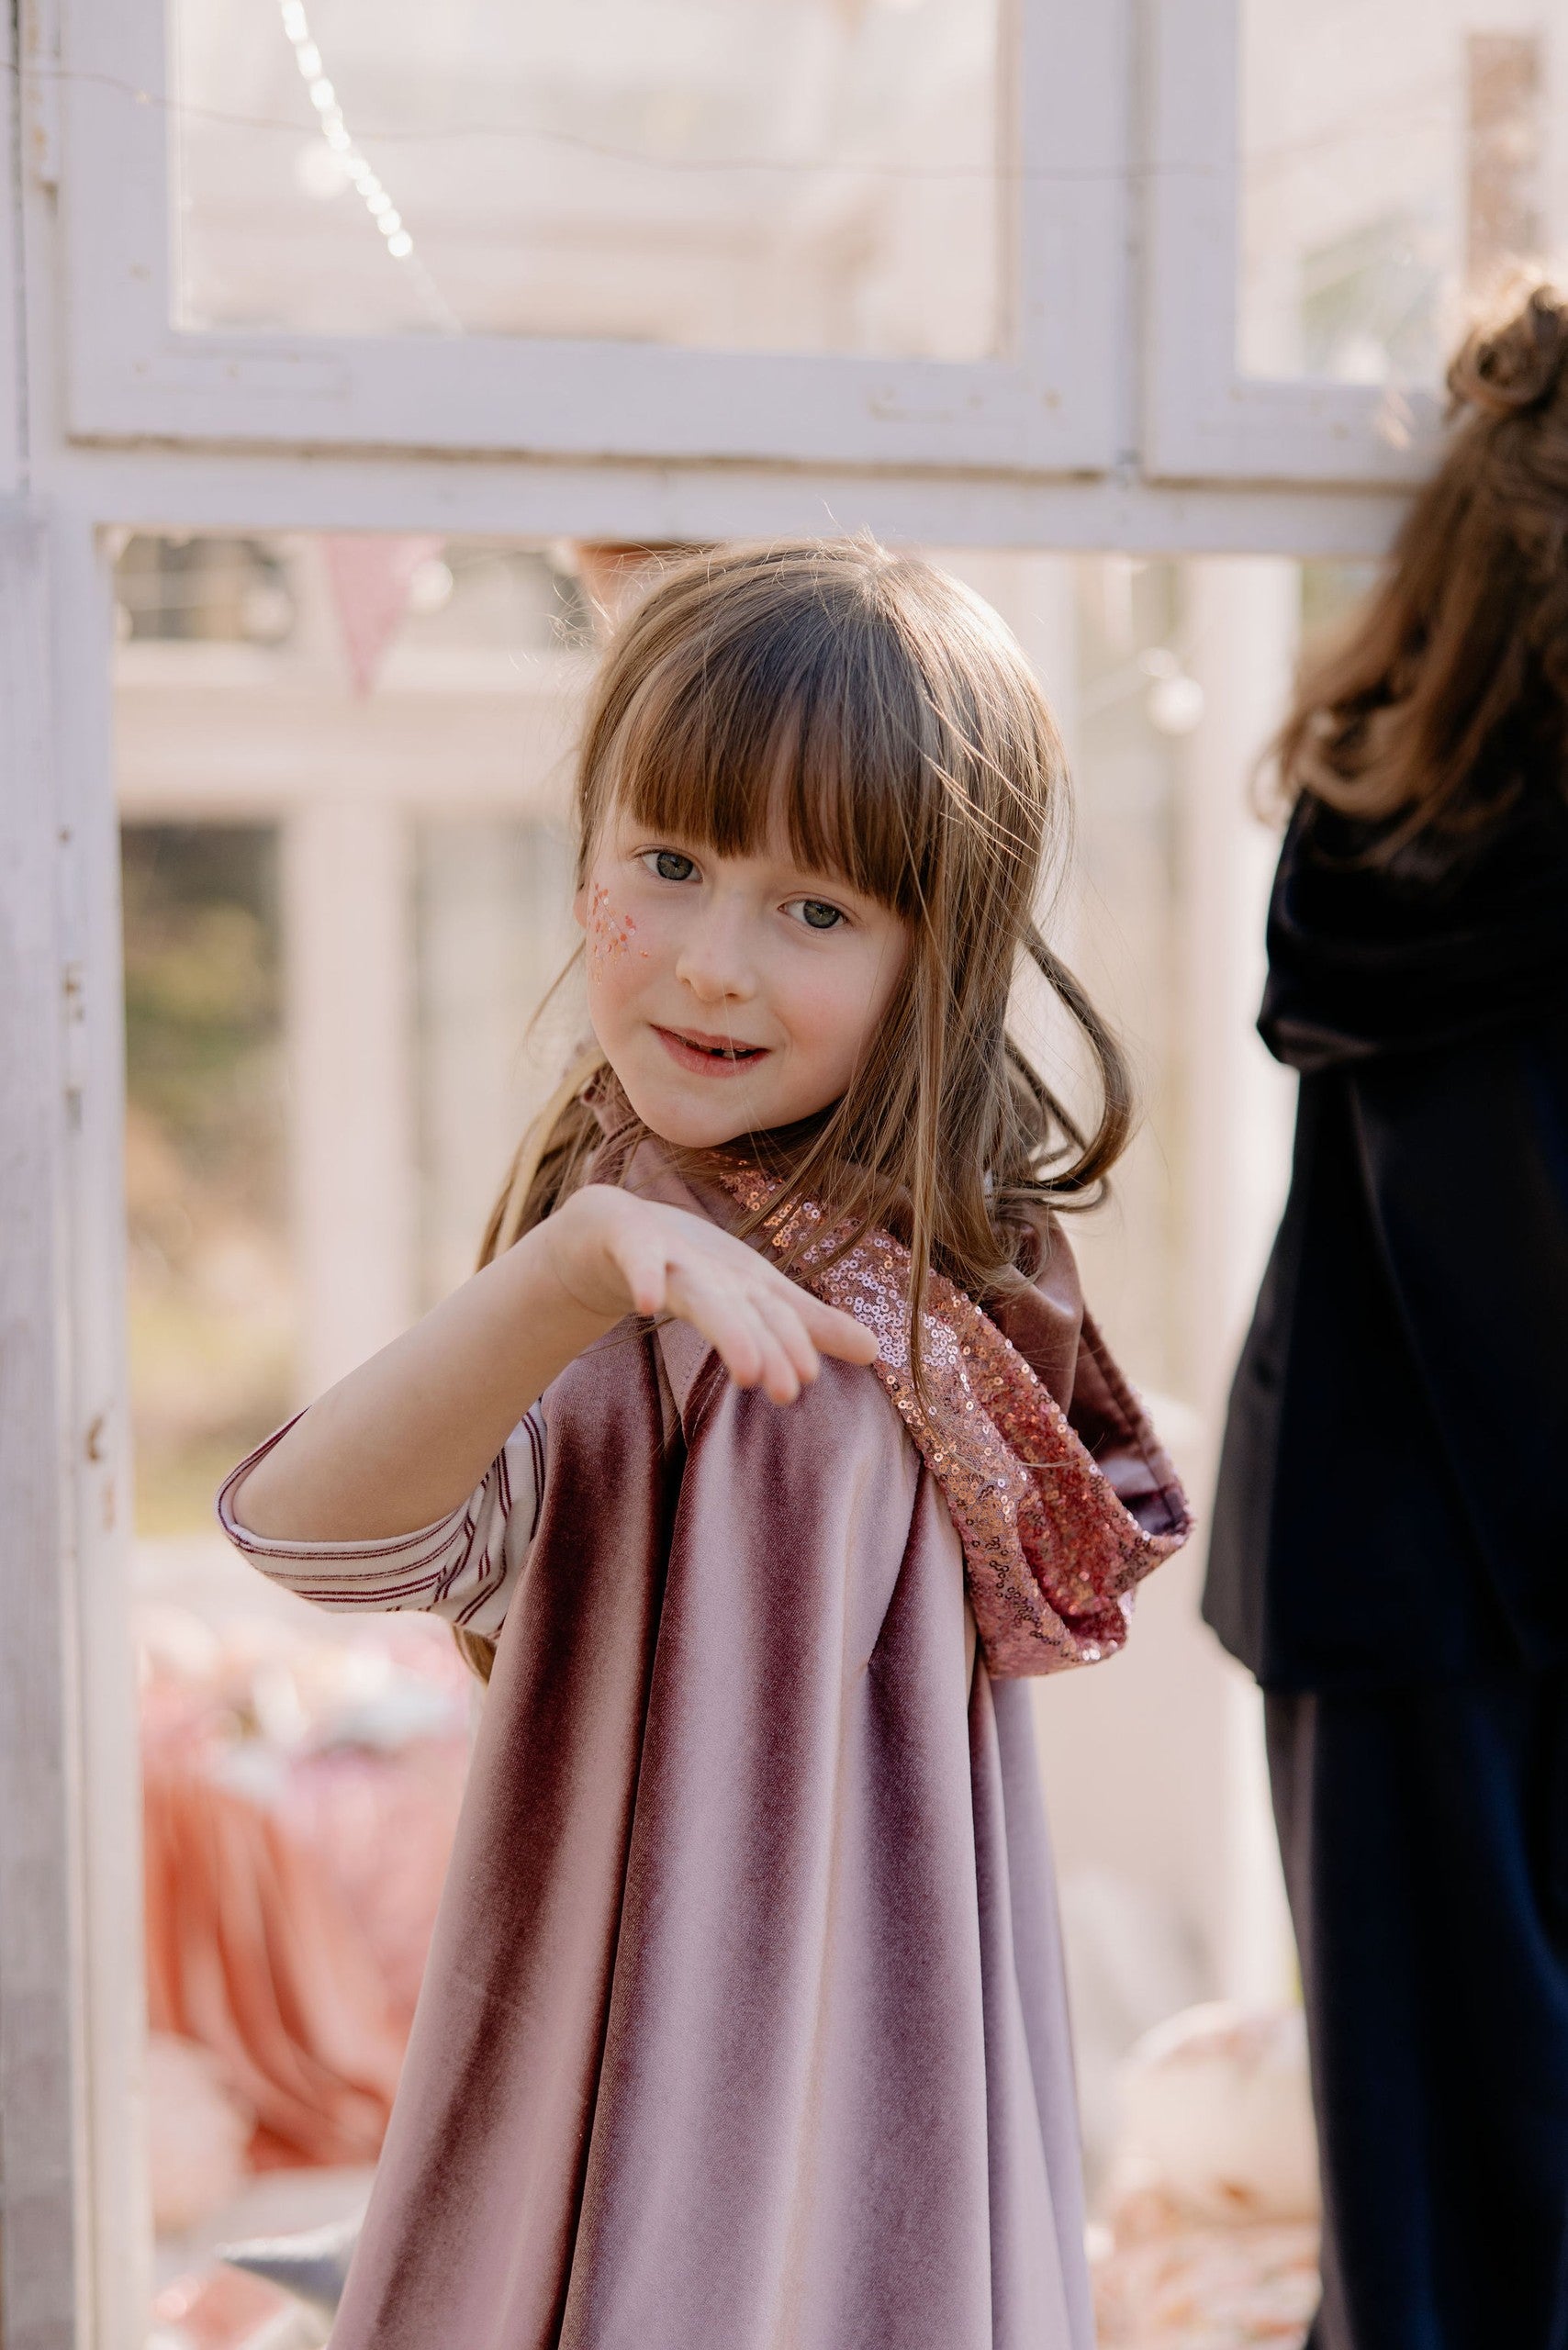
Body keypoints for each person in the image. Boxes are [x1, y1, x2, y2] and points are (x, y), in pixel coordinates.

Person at [217, 540, 1190, 2350]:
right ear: (587, 849)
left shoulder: (948, 1277)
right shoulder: (628, 1277)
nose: (710, 965)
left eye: (814, 909)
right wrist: (565, 1271)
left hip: (883, 2069)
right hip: (656, 2089)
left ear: (935, 957)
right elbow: (305, 1531)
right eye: (665, 864)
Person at [1204, 284, 1568, 2350]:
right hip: (1424, 1580)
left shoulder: (1373, 840)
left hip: (1374, 1573)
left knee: (1428, 2216)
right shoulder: (1450, 861)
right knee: (1454, 2222)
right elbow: (1511, 1273)